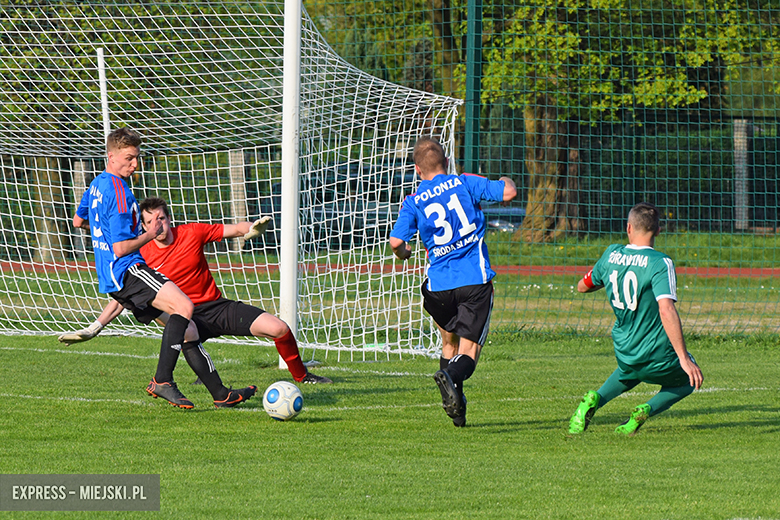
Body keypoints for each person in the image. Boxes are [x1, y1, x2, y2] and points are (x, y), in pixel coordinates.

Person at [63, 196, 332, 390]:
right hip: (184, 319)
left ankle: (301, 376)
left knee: (279, 328)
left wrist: (251, 228)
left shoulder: (191, 233)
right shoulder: (139, 254)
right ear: (142, 227)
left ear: (170, 219)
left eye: (161, 218)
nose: (158, 225)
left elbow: (231, 230)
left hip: (216, 307)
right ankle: (205, 380)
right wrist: (95, 327)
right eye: (150, 221)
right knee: (183, 327)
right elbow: (124, 297)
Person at [388, 136, 517, 427]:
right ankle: (451, 377)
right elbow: (508, 192)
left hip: (438, 290)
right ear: (446, 162)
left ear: (417, 170)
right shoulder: (463, 182)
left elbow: (396, 241)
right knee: (468, 353)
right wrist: (505, 178)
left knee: (449, 344)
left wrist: (404, 252)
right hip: (473, 283)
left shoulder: (413, 201)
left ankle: (456, 412)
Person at [569, 202, 704, 436]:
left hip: (624, 348)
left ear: (628, 227)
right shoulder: (660, 263)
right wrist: (683, 357)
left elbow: (582, 286)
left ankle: (595, 399)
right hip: (656, 353)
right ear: (659, 230)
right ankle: (645, 409)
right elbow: (666, 310)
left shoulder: (611, 253)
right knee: (688, 380)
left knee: (629, 372)